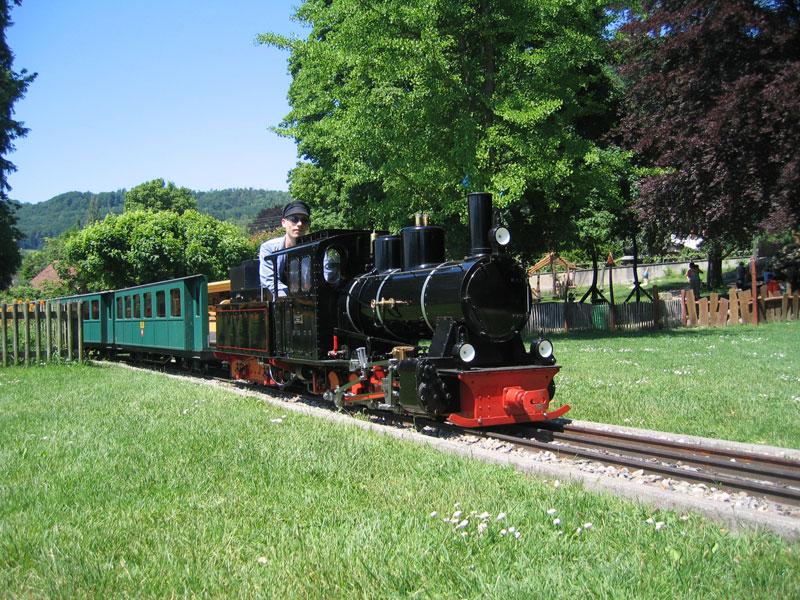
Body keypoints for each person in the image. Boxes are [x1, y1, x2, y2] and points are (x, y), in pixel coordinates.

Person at [259, 201, 311, 298]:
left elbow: (328, 274)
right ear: (283, 223)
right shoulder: (268, 248)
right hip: (280, 305)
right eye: (294, 219)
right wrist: (293, 298)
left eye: (304, 220)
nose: (299, 224)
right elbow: (269, 281)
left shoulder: (316, 248)